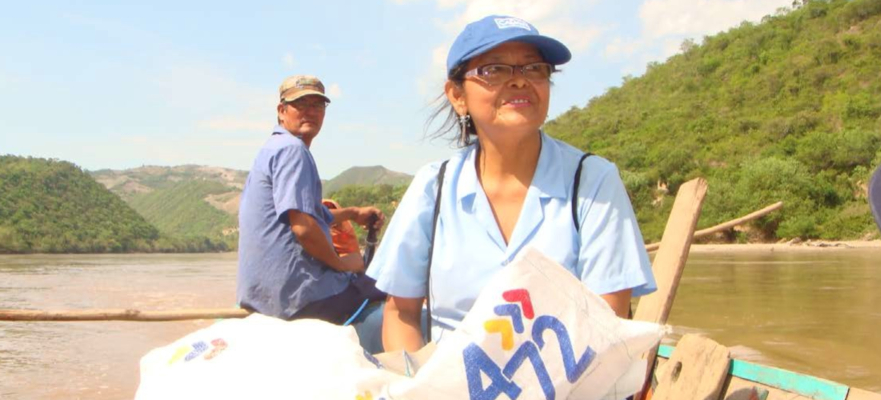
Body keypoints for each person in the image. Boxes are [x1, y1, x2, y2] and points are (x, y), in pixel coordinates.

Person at [365, 16, 657, 353]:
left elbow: (607, 324)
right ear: (457, 96)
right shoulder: (433, 187)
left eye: (534, 68)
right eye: (494, 70)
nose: (520, 81)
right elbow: (402, 313)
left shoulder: (592, 182)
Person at [236, 75, 386, 325]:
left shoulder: (273, 148)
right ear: (282, 111)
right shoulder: (293, 151)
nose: (310, 112)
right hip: (298, 297)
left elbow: (312, 216)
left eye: (317, 105)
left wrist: (352, 213)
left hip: (259, 295)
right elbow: (304, 228)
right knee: (393, 291)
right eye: (300, 104)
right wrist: (341, 264)